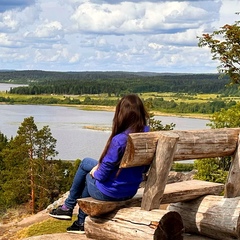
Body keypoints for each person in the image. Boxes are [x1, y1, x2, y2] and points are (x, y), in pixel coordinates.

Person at [49, 94, 150, 234]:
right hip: (130, 190)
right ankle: (74, 216)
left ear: (122, 113)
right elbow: (144, 167)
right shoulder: (147, 133)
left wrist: (94, 172)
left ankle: (72, 212)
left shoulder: (119, 140)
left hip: (111, 192)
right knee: (87, 163)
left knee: (87, 172)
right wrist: (99, 166)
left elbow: (101, 176)